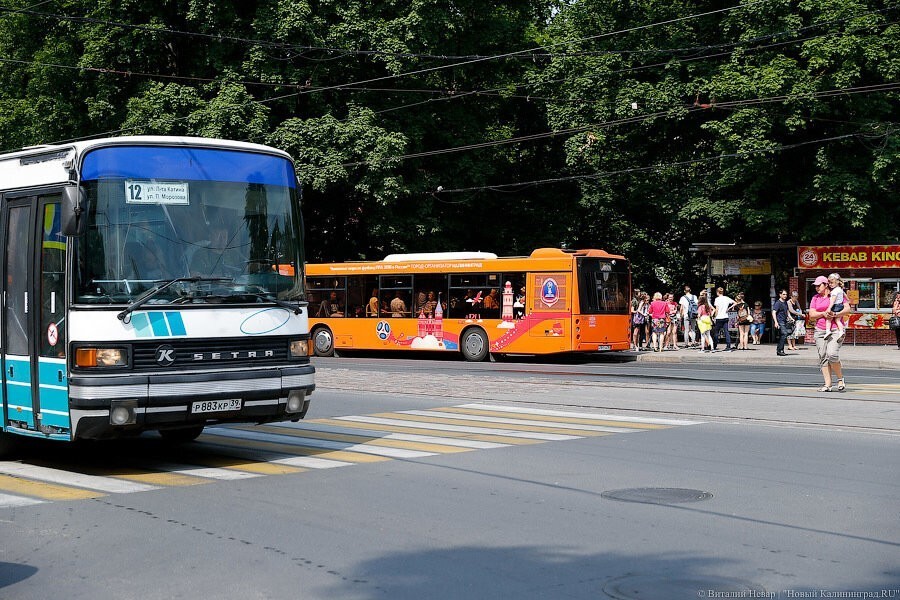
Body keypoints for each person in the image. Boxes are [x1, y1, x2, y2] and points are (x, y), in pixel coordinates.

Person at [808, 275, 851, 392]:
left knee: (832, 354)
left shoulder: (837, 293)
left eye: (819, 285)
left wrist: (835, 315)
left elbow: (847, 309)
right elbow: (811, 314)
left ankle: (840, 379)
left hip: (835, 329)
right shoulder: (815, 298)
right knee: (823, 356)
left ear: (826, 284)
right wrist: (823, 314)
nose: (817, 288)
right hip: (820, 330)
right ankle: (828, 384)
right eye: (815, 286)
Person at [712, 287, 735, 351]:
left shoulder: (717, 299)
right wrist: (729, 308)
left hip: (719, 317)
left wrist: (714, 317)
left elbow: (717, 309)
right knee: (726, 331)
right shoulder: (726, 298)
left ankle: (714, 345)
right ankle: (728, 346)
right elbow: (735, 303)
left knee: (716, 332)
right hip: (725, 316)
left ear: (717, 292)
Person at [824, 273, 847, 338]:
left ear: (837, 282)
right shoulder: (840, 289)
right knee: (838, 320)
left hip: (835, 306)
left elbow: (832, 301)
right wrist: (848, 300)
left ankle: (828, 331)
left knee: (828, 319)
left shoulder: (834, 291)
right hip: (840, 306)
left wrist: (829, 308)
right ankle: (841, 331)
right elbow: (845, 296)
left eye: (832, 283)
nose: (830, 284)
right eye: (829, 283)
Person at [772, 289, 790, 356]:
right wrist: (776, 322)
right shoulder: (778, 303)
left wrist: (790, 318)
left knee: (783, 335)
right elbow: (774, 312)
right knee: (784, 334)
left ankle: (779, 350)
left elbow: (787, 311)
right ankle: (780, 350)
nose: (785, 296)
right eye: (784, 294)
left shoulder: (785, 302)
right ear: (780, 295)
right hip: (780, 321)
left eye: (786, 294)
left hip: (784, 321)